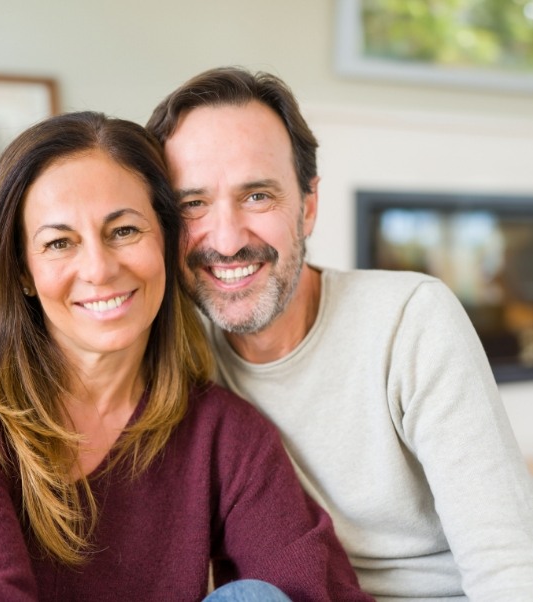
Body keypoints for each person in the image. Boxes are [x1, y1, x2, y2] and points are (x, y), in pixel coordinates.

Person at [0, 111, 373, 602]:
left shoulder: (222, 433)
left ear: (167, 240)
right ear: (23, 272)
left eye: (124, 232)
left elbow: (316, 589)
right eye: (59, 242)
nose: (98, 268)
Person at [147, 67, 533, 600]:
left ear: (307, 207)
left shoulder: (410, 320)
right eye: (193, 204)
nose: (228, 239)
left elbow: (507, 566)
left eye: (257, 196)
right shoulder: (180, 358)